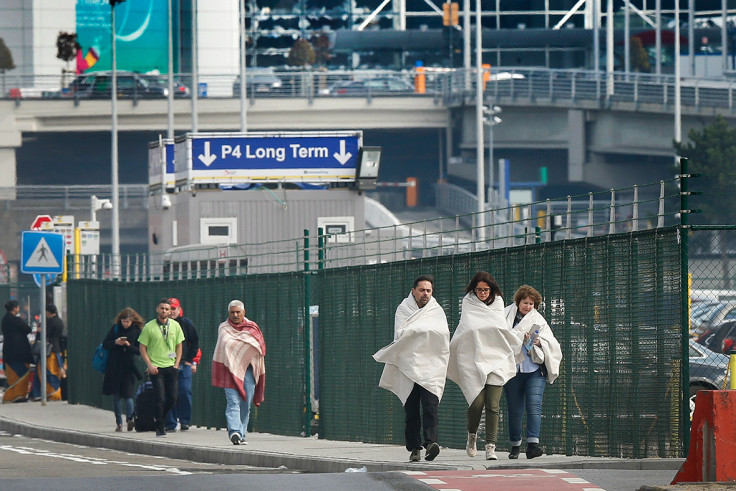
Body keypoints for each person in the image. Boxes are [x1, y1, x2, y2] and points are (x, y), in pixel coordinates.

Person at [373, 275, 450, 462]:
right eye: (422, 290)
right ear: (414, 291)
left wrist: (418, 331)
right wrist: (423, 331)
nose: (425, 294)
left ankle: (432, 443)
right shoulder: (403, 309)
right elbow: (401, 334)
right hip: (407, 366)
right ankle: (414, 447)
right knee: (412, 410)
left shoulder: (436, 310)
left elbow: (443, 334)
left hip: (431, 366)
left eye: (429, 290)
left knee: (431, 406)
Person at [447, 271, 522, 460]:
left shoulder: (498, 303)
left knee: (493, 405)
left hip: (496, 358)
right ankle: (472, 435)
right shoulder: (468, 302)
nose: (482, 293)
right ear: (474, 289)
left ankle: (491, 446)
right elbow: (469, 327)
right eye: (479, 290)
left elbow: (499, 328)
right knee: (476, 403)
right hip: (473, 359)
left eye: (486, 290)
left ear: (492, 289)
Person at [504, 285, 562, 459]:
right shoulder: (505, 316)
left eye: (531, 303)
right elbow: (500, 336)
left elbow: (551, 342)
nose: (528, 306)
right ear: (518, 301)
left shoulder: (539, 320)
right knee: (515, 409)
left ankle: (532, 446)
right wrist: (518, 337)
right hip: (512, 369)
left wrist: (538, 343)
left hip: (534, 369)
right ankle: (515, 446)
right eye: (525, 302)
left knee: (534, 407)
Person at [212, 300, 266, 445]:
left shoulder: (252, 327)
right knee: (233, 401)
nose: (235, 315)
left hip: (248, 370)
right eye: (232, 312)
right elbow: (225, 347)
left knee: (245, 402)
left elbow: (259, 347)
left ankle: (241, 433)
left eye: (238, 312)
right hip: (228, 370)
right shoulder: (223, 328)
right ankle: (234, 431)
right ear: (228, 313)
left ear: (244, 312)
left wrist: (242, 352)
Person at [138, 298, 185, 437]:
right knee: (159, 397)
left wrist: (177, 364)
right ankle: (159, 426)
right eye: (162, 308)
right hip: (156, 368)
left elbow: (179, 345)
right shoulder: (149, 327)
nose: (164, 311)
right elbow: (142, 347)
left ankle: (161, 417)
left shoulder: (175, 326)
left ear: (170, 311)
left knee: (172, 397)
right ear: (157, 310)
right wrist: (150, 365)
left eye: (166, 309)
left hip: (171, 366)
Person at [102, 307, 144, 432]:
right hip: (114, 366)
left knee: (128, 394)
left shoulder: (136, 331)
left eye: (128, 322)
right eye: (123, 321)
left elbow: (139, 350)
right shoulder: (115, 329)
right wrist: (116, 342)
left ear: (132, 321)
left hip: (128, 367)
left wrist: (128, 345)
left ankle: (130, 418)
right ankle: (119, 422)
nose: (125, 324)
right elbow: (105, 344)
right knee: (116, 395)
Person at [165, 298, 200, 432]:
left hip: (183, 363)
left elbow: (195, 341)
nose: (172, 312)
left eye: (174, 309)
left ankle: (185, 421)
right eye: (170, 309)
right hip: (167, 364)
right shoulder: (161, 325)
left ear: (179, 310)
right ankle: (170, 422)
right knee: (169, 393)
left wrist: (190, 360)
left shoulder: (186, 324)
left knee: (185, 391)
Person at [29, 304, 66, 401]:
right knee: (56, 372)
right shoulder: (60, 322)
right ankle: (56, 393)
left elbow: (44, 335)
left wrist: (40, 331)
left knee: (45, 371)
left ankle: (50, 393)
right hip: (58, 350)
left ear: (48, 312)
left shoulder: (48, 323)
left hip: (48, 351)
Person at [2, 300, 34, 403]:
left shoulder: (4, 320)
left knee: (12, 376)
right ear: (15, 308)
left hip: (8, 351)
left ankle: (10, 396)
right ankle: (19, 395)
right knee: (22, 374)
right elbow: (27, 329)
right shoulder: (16, 320)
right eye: (18, 307)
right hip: (20, 352)